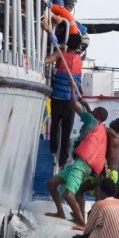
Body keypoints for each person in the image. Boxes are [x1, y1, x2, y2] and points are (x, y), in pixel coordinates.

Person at [45, 90, 108, 225]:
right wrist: (86, 104)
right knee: (51, 183)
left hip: (81, 164)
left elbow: (73, 105)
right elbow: (91, 114)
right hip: (80, 164)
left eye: (94, 111)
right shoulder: (99, 127)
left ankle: (81, 224)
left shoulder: (91, 120)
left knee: (68, 194)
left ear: (96, 114)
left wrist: (71, 89)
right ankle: (61, 212)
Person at [46, 34, 84, 170]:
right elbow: (78, 82)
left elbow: (47, 60)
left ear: (68, 43)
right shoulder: (80, 60)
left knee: (55, 125)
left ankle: (53, 150)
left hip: (57, 97)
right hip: (70, 101)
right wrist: (81, 96)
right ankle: (63, 158)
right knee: (66, 131)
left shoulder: (60, 54)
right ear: (79, 46)